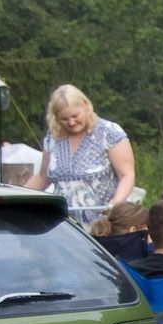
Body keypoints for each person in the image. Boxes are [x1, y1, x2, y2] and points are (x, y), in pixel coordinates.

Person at [25, 85, 134, 228]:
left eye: (75, 116)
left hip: (104, 223)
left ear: (86, 106)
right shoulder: (53, 137)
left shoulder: (109, 132)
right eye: (64, 119)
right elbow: (42, 177)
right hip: (64, 224)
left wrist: (116, 202)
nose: (71, 122)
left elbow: (126, 175)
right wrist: (16, 196)